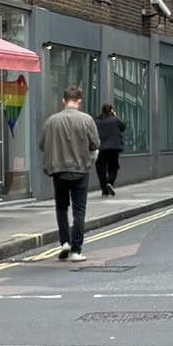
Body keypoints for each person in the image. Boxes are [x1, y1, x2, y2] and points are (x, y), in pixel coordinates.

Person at [40, 85, 99, 261]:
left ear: (63, 101)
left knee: (61, 207)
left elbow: (42, 145)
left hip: (59, 170)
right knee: (79, 210)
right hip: (80, 169)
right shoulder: (87, 120)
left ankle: (64, 242)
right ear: (79, 101)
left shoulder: (51, 121)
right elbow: (95, 144)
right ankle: (76, 250)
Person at [93, 103, 125, 194]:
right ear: (111, 110)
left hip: (100, 148)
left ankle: (104, 189)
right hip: (113, 148)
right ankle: (110, 182)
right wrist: (115, 116)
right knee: (113, 167)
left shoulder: (96, 121)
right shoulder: (115, 120)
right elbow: (123, 127)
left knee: (101, 169)